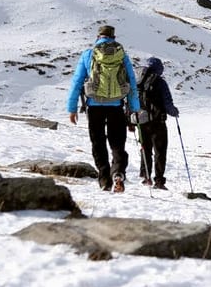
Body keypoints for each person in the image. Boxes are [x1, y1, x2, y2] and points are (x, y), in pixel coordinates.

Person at [67, 25, 139, 193]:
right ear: (113, 37)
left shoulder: (89, 54)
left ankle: (104, 179)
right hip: (116, 106)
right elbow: (132, 82)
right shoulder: (122, 56)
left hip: (94, 107)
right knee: (117, 143)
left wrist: (72, 108)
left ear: (98, 36)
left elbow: (77, 82)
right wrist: (134, 108)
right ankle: (118, 173)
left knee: (98, 143)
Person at [131, 56, 179, 191]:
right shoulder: (160, 82)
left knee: (145, 149)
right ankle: (159, 181)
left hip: (141, 121)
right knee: (160, 152)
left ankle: (146, 177)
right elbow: (167, 103)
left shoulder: (136, 80)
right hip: (158, 122)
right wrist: (174, 112)